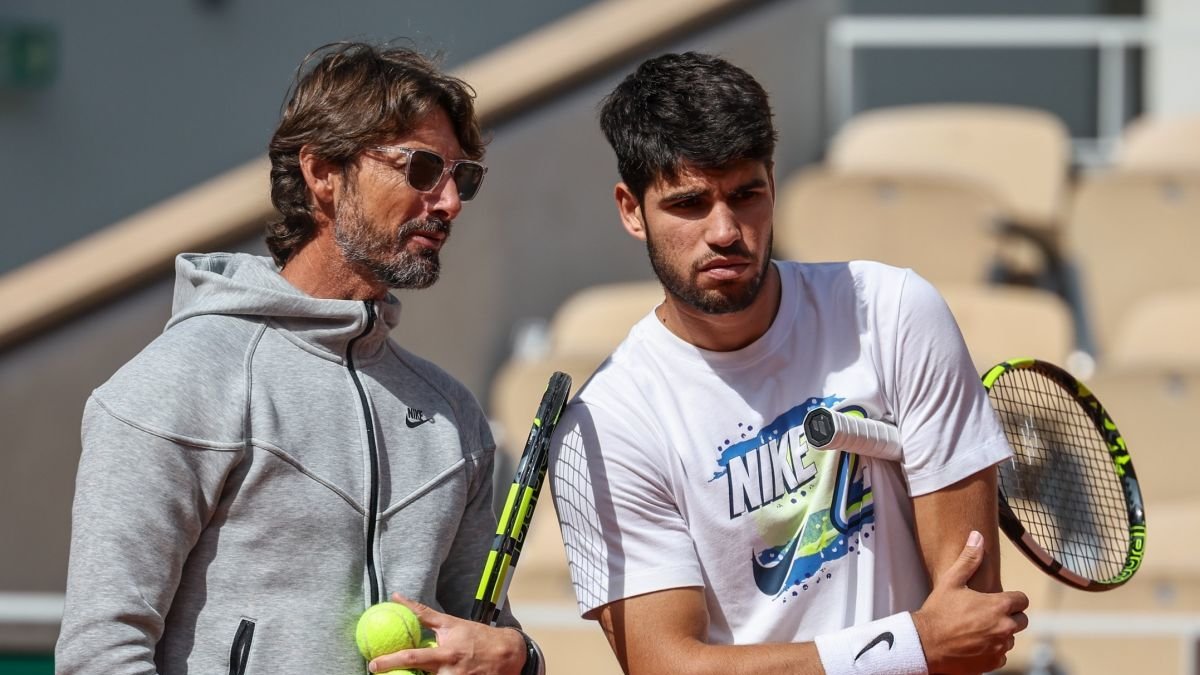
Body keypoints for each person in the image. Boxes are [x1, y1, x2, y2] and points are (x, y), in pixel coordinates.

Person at [55, 42, 543, 675]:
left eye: (463, 177)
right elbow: (100, 654)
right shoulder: (179, 383)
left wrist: (521, 658)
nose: (449, 201)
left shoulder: (453, 415)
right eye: (422, 168)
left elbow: (481, 635)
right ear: (322, 172)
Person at [548, 51, 1029, 675]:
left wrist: (928, 642)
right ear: (631, 210)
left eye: (745, 195)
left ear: (772, 186)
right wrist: (911, 646)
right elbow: (666, 667)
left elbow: (970, 629)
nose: (725, 231)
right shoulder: (607, 425)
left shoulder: (893, 312)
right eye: (689, 204)